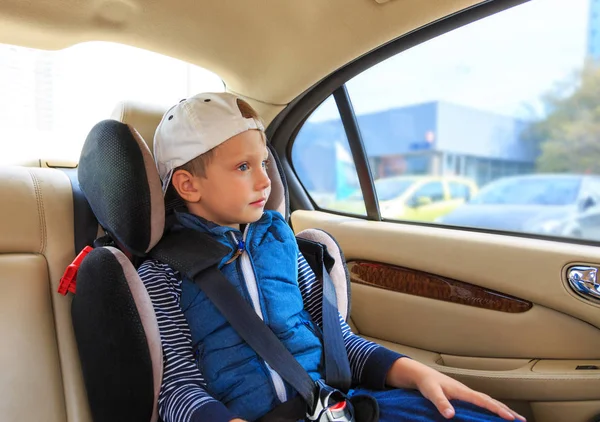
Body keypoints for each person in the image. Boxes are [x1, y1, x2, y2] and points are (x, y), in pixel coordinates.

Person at [138, 92, 526, 422]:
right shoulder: (162, 273)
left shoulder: (282, 243)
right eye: (243, 167)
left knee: (468, 411)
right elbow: (176, 389)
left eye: (263, 164)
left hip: (332, 406)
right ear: (188, 185)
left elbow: (338, 340)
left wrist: (416, 373)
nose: (264, 181)